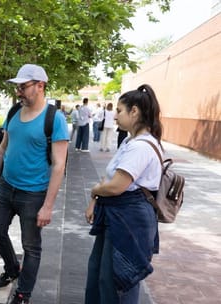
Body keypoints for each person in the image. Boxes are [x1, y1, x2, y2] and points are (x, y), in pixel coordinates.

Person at [0, 64, 69, 304]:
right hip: (6, 186)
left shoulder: (55, 119)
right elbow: (2, 149)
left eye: (23, 86)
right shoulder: (13, 112)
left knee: (31, 246)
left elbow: (59, 165)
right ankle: (12, 269)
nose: (19, 92)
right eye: (18, 87)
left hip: (33, 194)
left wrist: (48, 206)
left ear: (40, 86)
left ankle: (23, 293)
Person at [84, 84, 162, 304]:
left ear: (134, 111)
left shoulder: (142, 147)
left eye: (119, 111)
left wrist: (94, 191)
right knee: (101, 276)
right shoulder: (130, 142)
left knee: (117, 282)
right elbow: (110, 177)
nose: (115, 116)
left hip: (129, 221)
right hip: (117, 216)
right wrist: (94, 200)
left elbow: (117, 185)